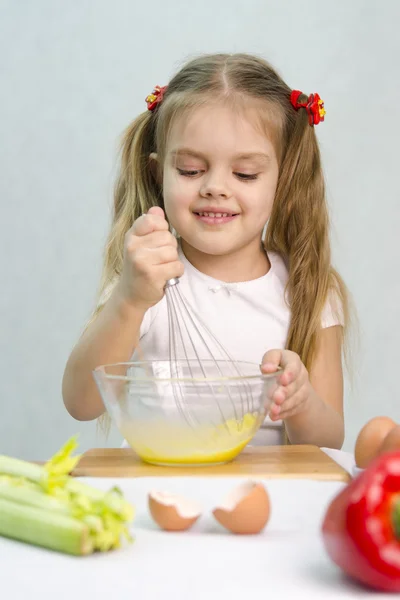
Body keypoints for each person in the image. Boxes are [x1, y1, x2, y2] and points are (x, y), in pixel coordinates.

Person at [62, 53, 350, 449]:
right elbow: (80, 402)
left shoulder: (309, 288)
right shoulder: (144, 281)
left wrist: (301, 403)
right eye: (191, 170)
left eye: (245, 173)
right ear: (157, 172)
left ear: (284, 182)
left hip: (269, 501)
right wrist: (129, 300)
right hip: (160, 495)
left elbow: (330, 442)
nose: (215, 186)